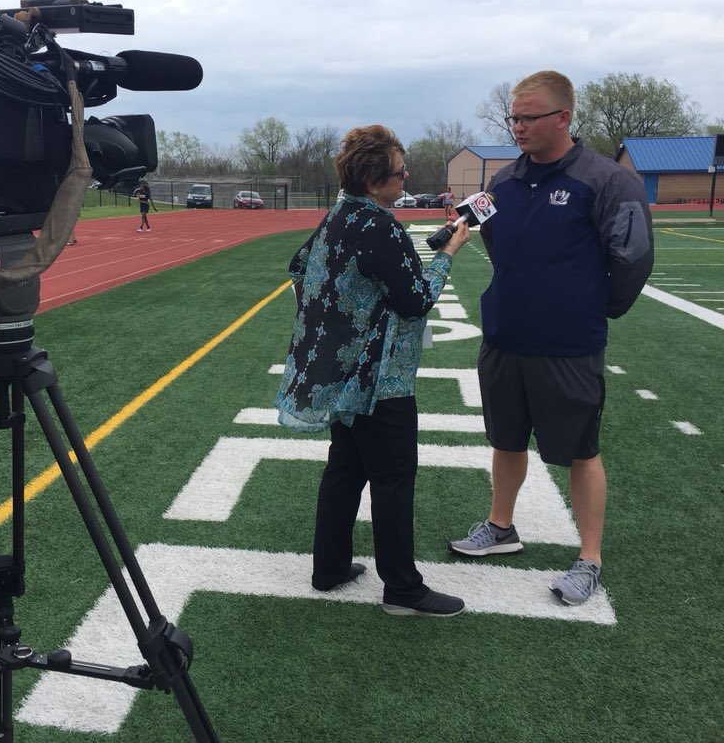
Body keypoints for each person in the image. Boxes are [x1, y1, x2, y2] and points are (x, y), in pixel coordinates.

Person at [447, 70, 653, 606]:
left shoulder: (608, 181)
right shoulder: (502, 183)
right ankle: (501, 526)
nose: (517, 126)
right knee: (506, 440)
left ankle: (589, 557)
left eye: (528, 116)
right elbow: (494, 244)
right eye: (513, 117)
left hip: (568, 345)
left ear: (563, 117)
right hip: (505, 336)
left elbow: (632, 259)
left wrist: (593, 306)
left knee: (580, 450)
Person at [275, 125, 471, 617]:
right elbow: (415, 302)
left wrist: (344, 315)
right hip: (380, 379)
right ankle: (402, 588)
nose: (405, 179)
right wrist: (446, 254)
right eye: (399, 173)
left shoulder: (338, 215)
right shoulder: (382, 227)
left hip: (342, 375)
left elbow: (300, 268)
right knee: (392, 478)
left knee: (346, 468)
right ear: (373, 178)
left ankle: (330, 568)